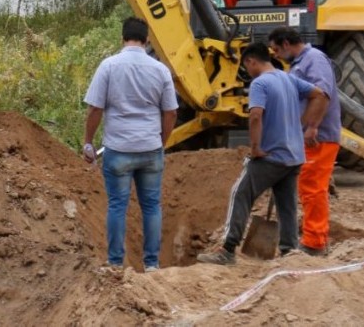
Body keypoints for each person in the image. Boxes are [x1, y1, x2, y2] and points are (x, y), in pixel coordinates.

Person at [197, 41, 327, 265]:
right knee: (286, 205)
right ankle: (289, 252)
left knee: (241, 193)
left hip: (271, 156)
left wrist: (256, 147)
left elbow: (256, 115)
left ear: (251, 61)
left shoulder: (260, 83)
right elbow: (320, 94)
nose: (247, 71)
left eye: (246, 67)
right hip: (294, 157)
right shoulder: (288, 78)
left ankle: (227, 249)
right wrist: (303, 124)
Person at [83, 17, 178, 272]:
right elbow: (171, 113)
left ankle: (115, 263)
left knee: (117, 205)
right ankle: (151, 264)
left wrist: (88, 142)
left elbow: (95, 109)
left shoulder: (109, 66)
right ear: (147, 41)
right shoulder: (160, 70)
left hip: (119, 148)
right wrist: (161, 142)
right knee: (151, 206)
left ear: (122, 38)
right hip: (150, 148)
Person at [268, 27, 341, 257]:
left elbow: (323, 94)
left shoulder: (314, 60)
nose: (276, 55)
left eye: (277, 49)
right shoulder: (300, 63)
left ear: (287, 44)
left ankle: (314, 242)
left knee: (312, 188)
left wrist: (312, 127)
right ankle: (311, 238)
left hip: (318, 137)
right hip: (304, 136)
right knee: (307, 187)